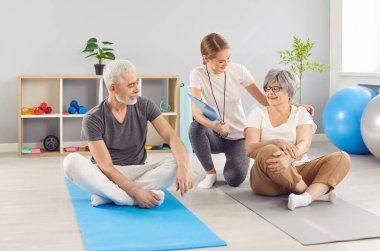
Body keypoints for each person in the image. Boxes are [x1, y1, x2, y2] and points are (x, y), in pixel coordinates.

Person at [189, 33, 313, 189]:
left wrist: (294, 105)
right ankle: (210, 173)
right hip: (214, 134)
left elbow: (264, 99)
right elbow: (196, 112)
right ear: (206, 58)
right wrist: (214, 126)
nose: (226, 64)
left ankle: (230, 165)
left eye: (229, 59)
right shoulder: (197, 74)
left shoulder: (239, 70)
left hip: (238, 137)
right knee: (195, 127)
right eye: (221, 61)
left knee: (234, 179)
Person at [63, 59, 193, 208]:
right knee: (71, 161)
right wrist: (136, 191)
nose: (137, 89)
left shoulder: (145, 105)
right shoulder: (93, 118)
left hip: (137, 170)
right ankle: (130, 197)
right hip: (107, 174)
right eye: (131, 85)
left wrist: (184, 167)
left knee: (179, 162)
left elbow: (172, 137)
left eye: (136, 82)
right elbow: (106, 166)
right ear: (113, 88)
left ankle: (109, 196)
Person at [245, 69, 351, 210]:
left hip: (298, 169)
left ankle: (305, 198)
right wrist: (276, 142)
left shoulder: (301, 113)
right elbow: (250, 149)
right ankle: (314, 193)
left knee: (342, 157)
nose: (270, 92)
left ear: (288, 92)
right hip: (267, 180)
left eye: (275, 88)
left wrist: (288, 158)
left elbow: (304, 144)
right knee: (270, 150)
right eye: (267, 88)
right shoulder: (258, 113)